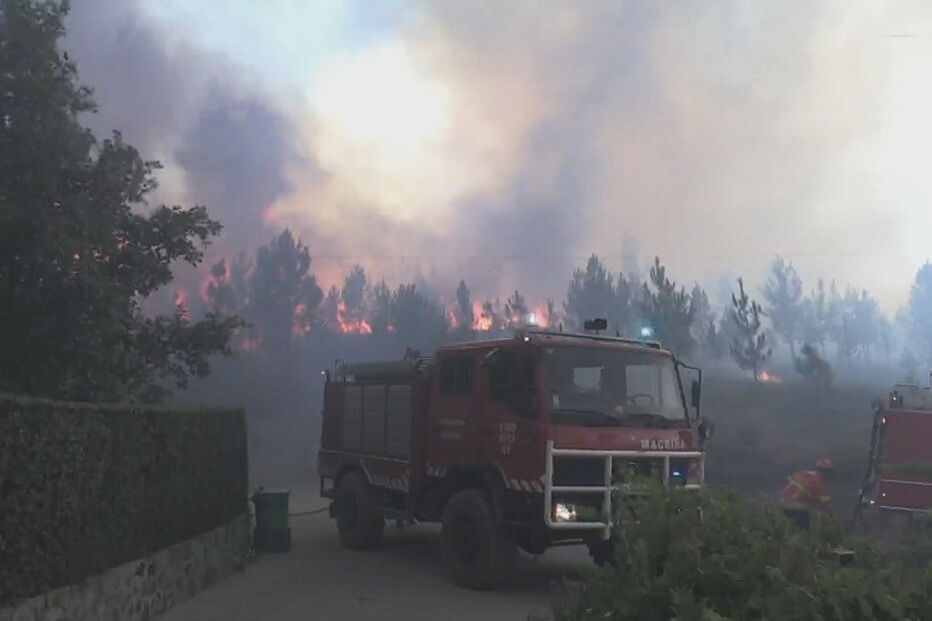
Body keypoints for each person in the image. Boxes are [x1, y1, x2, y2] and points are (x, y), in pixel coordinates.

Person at [781, 458, 835, 529]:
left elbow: (791, 480)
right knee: (803, 530)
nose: (829, 476)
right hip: (797, 508)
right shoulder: (819, 483)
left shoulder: (803, 473)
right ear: (823, 472)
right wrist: (833, 517)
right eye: (828, 473)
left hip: (783, 504)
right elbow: (826, 504)